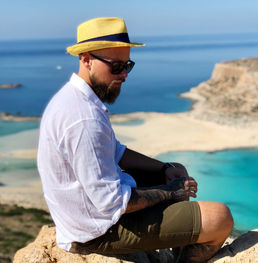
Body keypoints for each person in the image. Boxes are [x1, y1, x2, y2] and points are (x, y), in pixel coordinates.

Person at [37, 17, 233, 263]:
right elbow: (110, 203)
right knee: (221, 217)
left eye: (127, 65)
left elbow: (115, 151)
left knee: (175, 173)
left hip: (89, 215)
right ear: (86, 59)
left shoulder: (78, 99)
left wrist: (164, 169)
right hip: (96, 230)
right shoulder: (83, 118)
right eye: (115, 66)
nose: (125, 74)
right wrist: (169, 193)